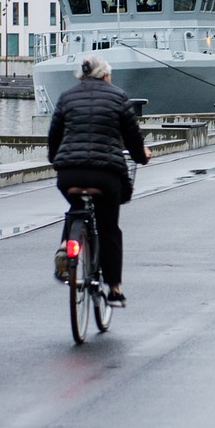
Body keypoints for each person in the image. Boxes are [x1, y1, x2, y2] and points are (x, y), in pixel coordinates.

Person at [48, 56, 151, 308]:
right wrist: (143, 155)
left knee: (75, 207)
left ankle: (65, 246)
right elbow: (133, 139)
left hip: (69, 173)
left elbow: (54, 139)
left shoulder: (66, 97)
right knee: (109, 229)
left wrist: (57, 160)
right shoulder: (119, 97)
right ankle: (114, 289)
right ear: (106, 75)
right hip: (106, 175)